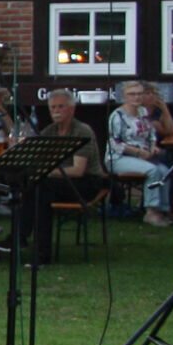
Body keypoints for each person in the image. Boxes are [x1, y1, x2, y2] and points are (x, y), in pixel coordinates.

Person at [21, 88, 109, 265]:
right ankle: (36, 250)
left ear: (72, 108)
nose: (56, 111)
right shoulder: (49, 131)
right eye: (53, 107)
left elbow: (78, 170)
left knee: (39, 189)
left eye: (61, 107)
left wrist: (45, 171)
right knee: (37, 191)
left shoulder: (82, 130)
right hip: (57, 183)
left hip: (87, 182)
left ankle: (23, 240)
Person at [106, 80, 173, 226]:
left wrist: (152, 147)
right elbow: (115, 143)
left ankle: (163, 209)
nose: (136, 97)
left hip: (142, 156)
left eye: (139, 94)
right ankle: (151, 211)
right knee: (153, 170)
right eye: (132, 94)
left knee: (165, 171)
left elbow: (151, 135)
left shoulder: (143, 112)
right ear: (125, 96)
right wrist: (139, 152)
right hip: (118, 158)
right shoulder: (118, 116)